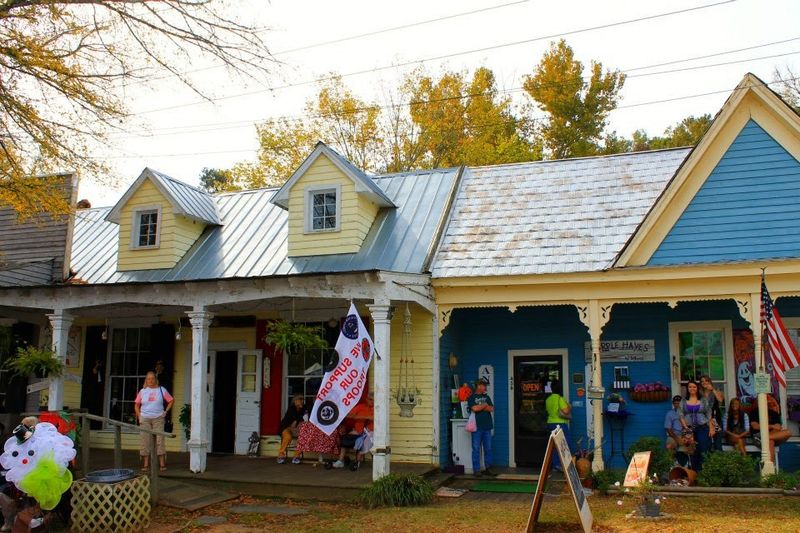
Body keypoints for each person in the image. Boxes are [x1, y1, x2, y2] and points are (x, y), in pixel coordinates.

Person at [134, 371, 173, 472]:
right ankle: (146, 464)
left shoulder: (161, 389)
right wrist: (140, 416)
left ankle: (162, 463)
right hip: (145, 418)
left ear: (156, 379)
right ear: (146, 380)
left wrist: (166, 411)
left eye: (152, 378)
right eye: (148, 379)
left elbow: (171, 400)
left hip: (158, 418)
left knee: (160, 440)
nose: (150, 380)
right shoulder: (143, 391)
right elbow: (136, 405)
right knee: (145, 440)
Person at [679, 379, 715, 471]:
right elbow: (681, 415)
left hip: (702, 427)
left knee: (703, 448)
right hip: (689, 429)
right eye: (690, 387)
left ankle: (704, 471)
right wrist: (686, 428)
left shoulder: (703, 400)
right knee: (692, 450)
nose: (692, 388)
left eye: (694, 386)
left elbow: (708, 414)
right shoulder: (683, 401)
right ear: (687, 388)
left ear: (697, 388)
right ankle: (695, 472)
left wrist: (711, 428)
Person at [334, 393, 374, 470]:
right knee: (345, 439)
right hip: (357, 431)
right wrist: (362, 417)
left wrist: (361, 417)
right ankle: (340, 461)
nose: (371, 402)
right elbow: (348, 415)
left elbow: (373, 418)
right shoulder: (361, 407)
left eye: (373, 400)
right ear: (366, 399)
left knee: (362, 441)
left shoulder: (376, 408)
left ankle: (357, 461)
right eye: (370, 399)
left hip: (369, 432)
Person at [750, 394, 791, 463]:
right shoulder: (754, 413)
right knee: (770, 442)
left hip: (773, 435)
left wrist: (767, 428)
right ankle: (770, 466)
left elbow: (778, 427)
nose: (768, 402)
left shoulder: (774, 413)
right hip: (758, 435)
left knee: (788, 432)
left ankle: (766, 438)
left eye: (768, 400)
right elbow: (755, 426)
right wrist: (772, 426)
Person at [468, 377, 495, 477]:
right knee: (476, 448)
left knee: (488, 448)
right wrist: (484, 405)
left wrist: (482, 407)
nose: (485, 388)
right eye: (484, 386)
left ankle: (488, 468)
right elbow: (474, 408)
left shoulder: (487, 397)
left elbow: (491, 408)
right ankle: (477, 470)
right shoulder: (471, 397)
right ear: (479, 386)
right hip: (477, 427)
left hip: (487, 426)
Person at [545, 381, 570, 472]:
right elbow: (566, 411)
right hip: (560, 424)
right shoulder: (560, 399)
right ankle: (558, 465)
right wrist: (568, 405)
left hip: (550, 423)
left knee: (554, 444)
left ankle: (554, 464)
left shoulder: (548, 399)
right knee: (563, 444)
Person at [277, 395, 308, 464]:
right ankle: (281, 455)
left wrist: (299, 419)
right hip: (286, 427)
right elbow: (295, 419)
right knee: (288, 437)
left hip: (297, 429)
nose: (302, 401)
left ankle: (296, 456)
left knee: (303, 437)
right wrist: (299, 419)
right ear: (295, 401)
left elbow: (304, 419)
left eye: (303, 400)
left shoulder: (304, 408)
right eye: (300, 400)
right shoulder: (291, 408)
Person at [700, 375, 724, 450]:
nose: (704, 382)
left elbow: (720, 400)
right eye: (702, 381)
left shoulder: (717, 392)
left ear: (710, 382)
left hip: (716, 419)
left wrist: (712, 389)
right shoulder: (700, 394)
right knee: (706, 443)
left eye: (706, 381)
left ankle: (719, 461)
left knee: (717, 443)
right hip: (705, 420)